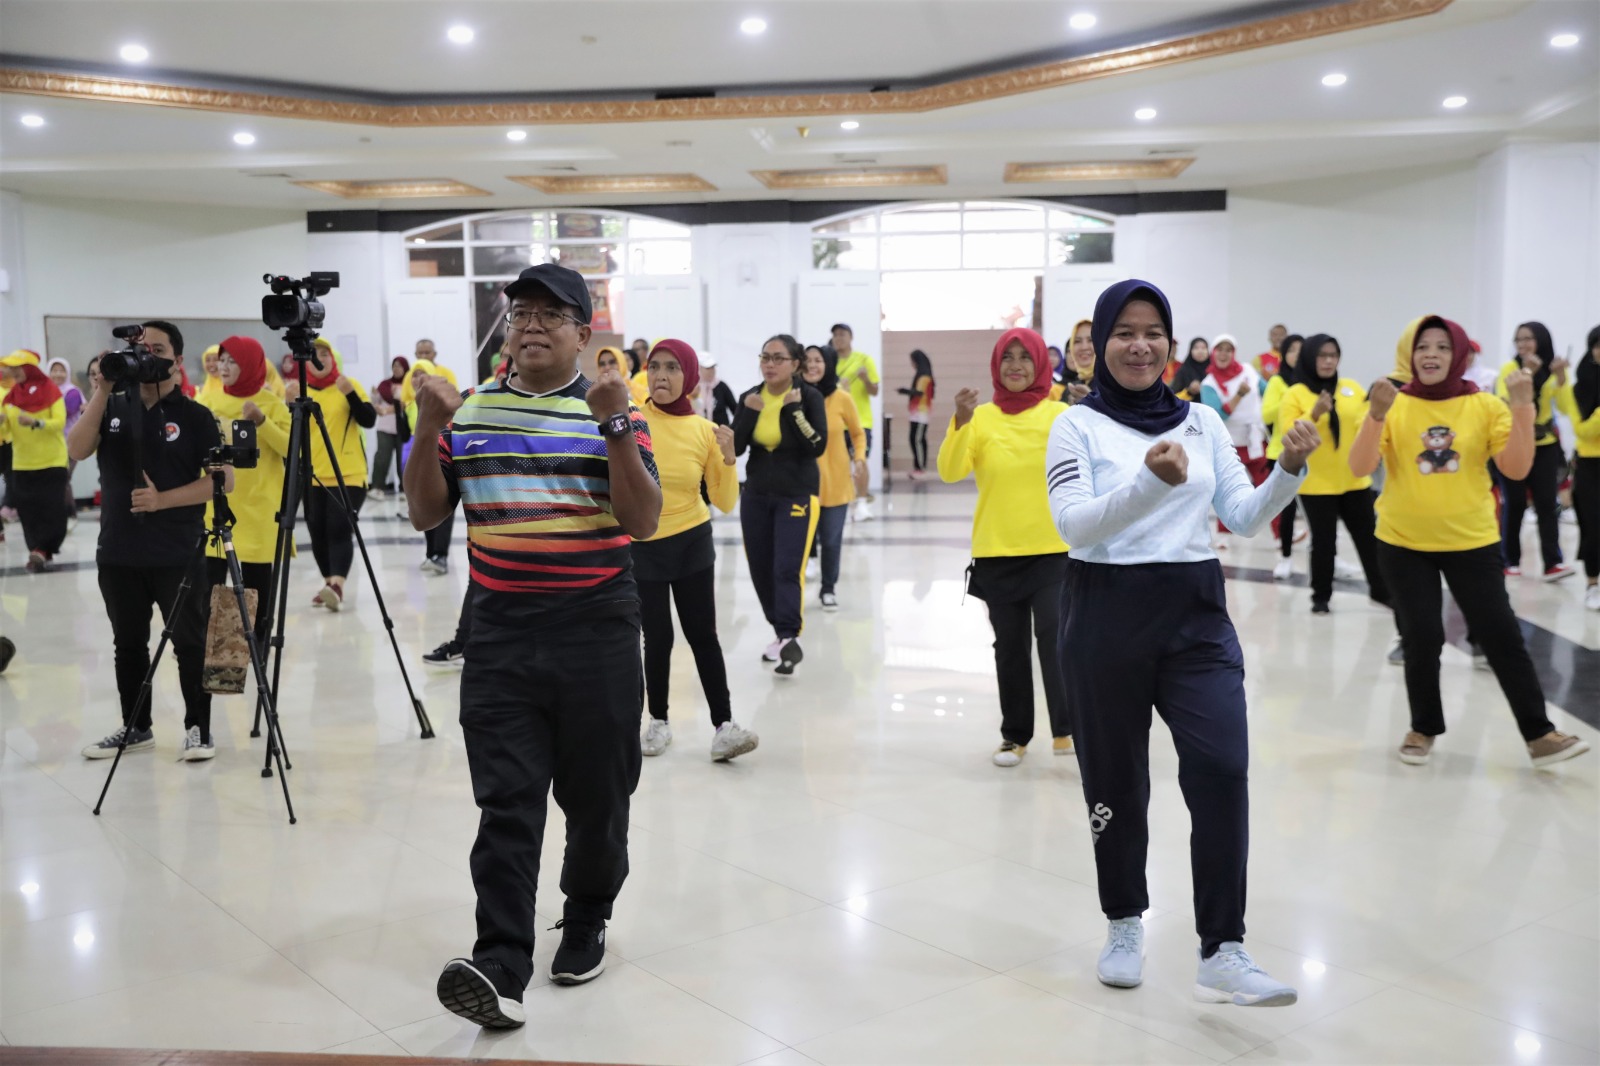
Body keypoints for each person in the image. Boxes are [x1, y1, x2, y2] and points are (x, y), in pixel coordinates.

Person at [406, 262, 660, 1029]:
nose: (533, 326)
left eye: (552, 314)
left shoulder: (613, 410)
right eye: (521, 314)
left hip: (596, 632)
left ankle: (586, 916)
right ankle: (500, 963)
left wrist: (615, 425)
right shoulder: (471, 410)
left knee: (598, 800)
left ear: (584, 333)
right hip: (501, 636)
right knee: (507, 805)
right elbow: (425, 514)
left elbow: (643, 520)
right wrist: (427, 429)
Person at [1048, 279, 1315, 1006]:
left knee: (1223, 768)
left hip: (1195, 612)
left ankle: (1223, 948)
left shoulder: (1202, 420)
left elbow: (1244, 515)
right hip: (1104, 615)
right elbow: (1073, 525)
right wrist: (1149, 484)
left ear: (1170, 343)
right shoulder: (1075, 425)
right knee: (1117, 782)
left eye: (1153, 333)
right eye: (1124, 332)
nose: (1140, 346)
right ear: (1101, 343)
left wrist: (1288, 471)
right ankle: (1123, 922)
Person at [1347, 316, 1589, 769]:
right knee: (1421, 637)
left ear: (1458, 354)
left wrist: (1523, 406)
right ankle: (1423, 728)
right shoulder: (1393, 403)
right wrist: (1376, 415)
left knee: (1501, 636)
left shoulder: (1485, 405)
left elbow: (1516, 469)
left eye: (1442, 346)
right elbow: (1360, 468)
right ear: (1409, 354)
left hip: (1471, 541)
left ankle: (1539, 734)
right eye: (1422, 347)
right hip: (1403, 542)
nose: (1431, 355)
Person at [67, 320, 229, 762]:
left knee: (189, 642)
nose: (146, 356)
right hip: (119, 549)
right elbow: (77, 449)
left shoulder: (195, 416)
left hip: (177, 550)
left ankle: (198, 728)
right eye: (141, 349)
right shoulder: (113, 406)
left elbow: (223, 481)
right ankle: (136, 727)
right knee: (128, 644)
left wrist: (162, 501)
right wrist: (103, 389)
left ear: (177, 359)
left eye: (157, 349)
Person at [939, 328, 1073, 765]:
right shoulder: (980, 417)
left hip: (1053, 549)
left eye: (1025, 357)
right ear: (996, 366)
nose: (1016, 365)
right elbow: (950, 471)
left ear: (1040, 363)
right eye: (1007, 357)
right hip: (997, 552)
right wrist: (960, 421)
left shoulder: (1060, 414)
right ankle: (1014, 736)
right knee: (1010, 647)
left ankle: (1067, 729)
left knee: (1055, 638)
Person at [633, 339, 756, 760]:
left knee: (703, 635)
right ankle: (659, 720)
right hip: (643, 545)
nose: (661, 375)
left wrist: (729, 458)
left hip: (691, 542)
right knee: (657, 638)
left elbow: (724, 501)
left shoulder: (704, 431)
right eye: (655, 366)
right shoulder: (633, 422)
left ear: (687, 376)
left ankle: (724, 726)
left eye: (672, 368)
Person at [199, 336, 291, 686]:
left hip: (259, 511)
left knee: (254, 592)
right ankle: (217, 658)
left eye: (232, 361)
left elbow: (293, 449)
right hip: (216, 509)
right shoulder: (206, 401)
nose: (223, 367)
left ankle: (255, 651)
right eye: (221, 360)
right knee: (210, 588)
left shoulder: (271, 403)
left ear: (251, 365)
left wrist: (262, 420)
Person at [734, 334, 828, 677]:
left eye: (778, 358)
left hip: (797, 494)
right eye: (765, 357)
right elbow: (736, 447)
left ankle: (789, 635)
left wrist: (793, 410)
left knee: (787, 567)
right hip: (756, 494)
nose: (770, 365)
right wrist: (748, 413)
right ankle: (780, 630)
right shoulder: (750, 397)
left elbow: (816, 445)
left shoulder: (809, 397)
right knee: (760, 567)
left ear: (795, 364)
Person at [1277, 335, 1389, 613]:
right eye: (1322, 355)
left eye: (1333, 355)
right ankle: (1321, 597)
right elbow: (1288, 434)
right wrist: (1314, 414)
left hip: (1355, 480)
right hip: (1317, 484)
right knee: (1324, 542)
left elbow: (1366, 421)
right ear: (1310, 358)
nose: (1328, 361)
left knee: (1368, 538)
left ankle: (1382, 592)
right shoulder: (1296, 393)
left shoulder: (1350, 388)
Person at [285, 339, 374, 611]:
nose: (320, 358)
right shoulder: (299, 392)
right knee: (317, 533)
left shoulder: (347, 384)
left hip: (348, 474)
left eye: (325, 354)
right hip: (312, 475)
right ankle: (328, 585)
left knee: (338, 529)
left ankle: (337, 585)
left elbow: (368, 419)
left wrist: (350, 394)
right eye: (314, 354)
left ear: (334, 359)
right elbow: (290, 436)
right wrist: (288, 405)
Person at [1495, 322, 1572, 581]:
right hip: (1514, 442)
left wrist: (1561, 379)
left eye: (1528, 338)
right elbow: (1506, 403)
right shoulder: (1510, 369)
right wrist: (1528, 372)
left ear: (1541, 340)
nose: (1523, 344)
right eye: (1518, 339)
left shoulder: (1552, 371)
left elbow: (1565, 407)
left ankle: (1553, 563)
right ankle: (1510, 560)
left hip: (1544, 444)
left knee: (1547, 503)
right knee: (1514, 502)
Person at [802, 344, 865, 611]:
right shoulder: (796, 397)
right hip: (802, 484)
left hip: (837, 484)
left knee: (830, 540)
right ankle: (796, 589)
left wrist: (859, 458)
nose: (812, 365)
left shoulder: (842, 398)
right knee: (802, 541)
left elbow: (858, 433)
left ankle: (828, 588)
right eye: (807, 360)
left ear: (828, 364)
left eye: (818, 360)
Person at [1, 351, 70, 572]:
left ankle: (44, 548)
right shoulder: (10, 397)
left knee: (51, 508)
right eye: (11, 368)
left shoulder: (50, 390)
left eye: (17, 367)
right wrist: (2, 422)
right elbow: (6, 429)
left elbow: (59, 422)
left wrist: (36, 423)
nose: (12, 372)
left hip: (52, 461)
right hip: (22, 464)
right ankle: (37, 549)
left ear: (29, 368)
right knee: (28, 511)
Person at [1200, 334, 1269, 546]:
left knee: (1267, 488)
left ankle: (1281, 535)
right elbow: (1216, 414)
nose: (1223, 354)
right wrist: (1238, 395)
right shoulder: (1209, 383)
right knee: (1226, 489)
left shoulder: (1248, 371)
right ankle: (1223, 535)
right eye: (1219, 349)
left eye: (1228, 350)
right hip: (1228, 445)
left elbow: (1267, 392)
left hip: (1255, 441)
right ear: (1213, 353)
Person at [401, 359, 460, 574]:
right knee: (421, 506)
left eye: (422, 373)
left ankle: (440, 555)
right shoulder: (409, 405)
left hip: (440, 453)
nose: (417, 378)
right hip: (414, 455)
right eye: (414, 375)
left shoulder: (444, 402)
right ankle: (430, 553)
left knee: (442, 505)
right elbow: (404, 434)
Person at [1558, 327, 1599, 610]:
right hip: (1590, 466)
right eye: (1597, 345)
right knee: (1593, 526)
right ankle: (1592, 584)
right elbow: (1582, 430)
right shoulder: (1580, 387)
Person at [1259, 334, 1306, 580]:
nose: (1297, 354)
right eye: (1292, 350)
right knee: (1287, 509)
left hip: (1313, 454)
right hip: (1282, 452)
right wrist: (1290, 402)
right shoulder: (1277, 381)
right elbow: (1266, 414)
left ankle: (1331, 559)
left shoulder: (1311, 381)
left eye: (1301, 349)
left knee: (1320, 512)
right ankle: (1285, 557)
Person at [832, 323, 880, 521]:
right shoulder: (829, 362)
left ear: (851, 337)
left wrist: (865, 379)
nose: (838, 338)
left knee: (860, 460)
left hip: (860, 422)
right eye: (835, 335)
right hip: (836, 422)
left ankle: (861, 504)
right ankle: (842, 502)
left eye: (842, 334)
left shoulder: (863, 360)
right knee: (837, 465)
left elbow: (874, 391)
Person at [47, 357, 86, 518]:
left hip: (71, 441)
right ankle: (65, 512)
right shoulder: (47, 391)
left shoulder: (72, 392)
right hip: (52, 443)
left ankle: (67, 512)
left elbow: (66, 412)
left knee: (62, 477)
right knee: (59, 478)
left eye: (61, 370)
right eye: (54, 370)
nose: (58, 374)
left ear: (67, 373)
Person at [370, 356, 409, 498]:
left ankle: (406, 490)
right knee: (382, 458)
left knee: (404, 460)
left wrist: (397, 400)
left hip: (404, 429)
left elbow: (407, 404)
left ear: (405, 367)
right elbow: (376, 403)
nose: (396, 368)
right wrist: (374, 395)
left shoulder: (409, 385)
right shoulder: (384, 385)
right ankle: (377, 487)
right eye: (394, 365)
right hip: (385, 428)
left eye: (399, 366)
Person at [899, 349, 935, 479]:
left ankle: (921, 468)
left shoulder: (924, 375)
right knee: (914, 438)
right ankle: (918, 467)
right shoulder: (921, 375)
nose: (912, 364)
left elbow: (919, 392)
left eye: (912, 361)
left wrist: (905, 391)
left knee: (917, 439)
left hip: (921, 412)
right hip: (916, 412)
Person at [695, 353, 739, 427]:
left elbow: (736, 410)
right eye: (708, 368)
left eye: (713, 367)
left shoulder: (721, 386)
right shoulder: (692, 388)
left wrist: (734, 429)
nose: (712, 371)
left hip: (720, 431)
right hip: (699, 430)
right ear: (699, 369)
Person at [1170, 336, 1210, 401]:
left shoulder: (1213, 370)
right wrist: (1189, 392)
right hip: (1189, 406)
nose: (1200, 351)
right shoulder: (1183, 371)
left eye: (1203, 348)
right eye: (1196, 348)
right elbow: (1171, 398)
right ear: (1190, 351)